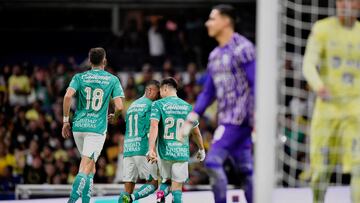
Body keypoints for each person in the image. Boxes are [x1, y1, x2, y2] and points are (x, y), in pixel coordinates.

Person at [181, 4, 255, 203]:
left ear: (226, 21)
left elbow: (256, 83)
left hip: (238, 120)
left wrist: (257, 118)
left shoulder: (244, 49)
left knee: (213, 162)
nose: (208, 23)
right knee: (246, 171)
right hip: (227, 119)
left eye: (212, 18)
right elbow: (208, 92)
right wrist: (192, 117)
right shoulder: (214, 56)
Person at [302, 0, 360, 202]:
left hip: (355, 111)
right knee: (321, 172)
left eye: (352, 2)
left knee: (358, 168)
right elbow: (308, 63)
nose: (347, 6)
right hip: (327, 110)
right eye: (342, 2)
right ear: (337, 4)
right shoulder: (322, 28)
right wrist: (318, 85)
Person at [62, 47, 124, 203]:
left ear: (90, 61)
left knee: (91, 167)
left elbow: (68, 96)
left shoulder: (79, 77)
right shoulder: (112, 79)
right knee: (85, 166)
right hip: (96, 129)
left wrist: (65, 121)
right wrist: (115, 116)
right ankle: (72, 200)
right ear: (104, 61)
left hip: (79, 126)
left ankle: (86, 200)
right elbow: (120, 107)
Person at [147, 77, 206, 203]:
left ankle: (160, 196)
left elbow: (154, 126)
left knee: (164, 180)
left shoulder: (157, 105)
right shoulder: (188, 107)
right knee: (177, 187)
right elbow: (196, 132)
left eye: (161, 92)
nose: (160, 95)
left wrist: (151, 149)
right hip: (181, 153)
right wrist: (201, 149)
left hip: (164, 153)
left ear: (165, 89)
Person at [119, 80, 160, 203]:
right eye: (157, 94)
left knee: (127, 188)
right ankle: (133, 198)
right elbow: (152, 128)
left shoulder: (131, 105)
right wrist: (152, 149)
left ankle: (128, 198)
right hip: (142, 148)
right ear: (149, 90)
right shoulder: (151, 105)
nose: (157, 98)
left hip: (128, 149)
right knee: (153, 183)